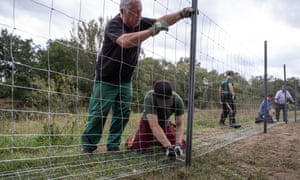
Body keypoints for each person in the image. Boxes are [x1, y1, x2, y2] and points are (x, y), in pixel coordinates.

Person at [81, 0, 197, 153]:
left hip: (125, 80)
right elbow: (124, 41)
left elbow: (161, 21)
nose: (139, 16)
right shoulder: (114, 25)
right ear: (122, 11)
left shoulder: (140, 22)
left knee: (122, 113)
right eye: (135, 12)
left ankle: (113, 145)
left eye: (140, 11)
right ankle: (89, 147)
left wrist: (182, 14)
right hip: (106, 78)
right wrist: (151, 31)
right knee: (98, 113)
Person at [125, 80, 186, 160]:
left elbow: (179, 124)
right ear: (155, 95)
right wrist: (168, 146)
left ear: (171, 95)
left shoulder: (177, 100)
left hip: (165, 124)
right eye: (161, 101)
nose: (164, 105)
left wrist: (178, 144)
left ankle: (158, 140)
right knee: (136, 147)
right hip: (148, 124)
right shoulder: (149, 97)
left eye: (167, 101)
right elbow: (154, 125)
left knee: (183, 145)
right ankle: (135, 137)